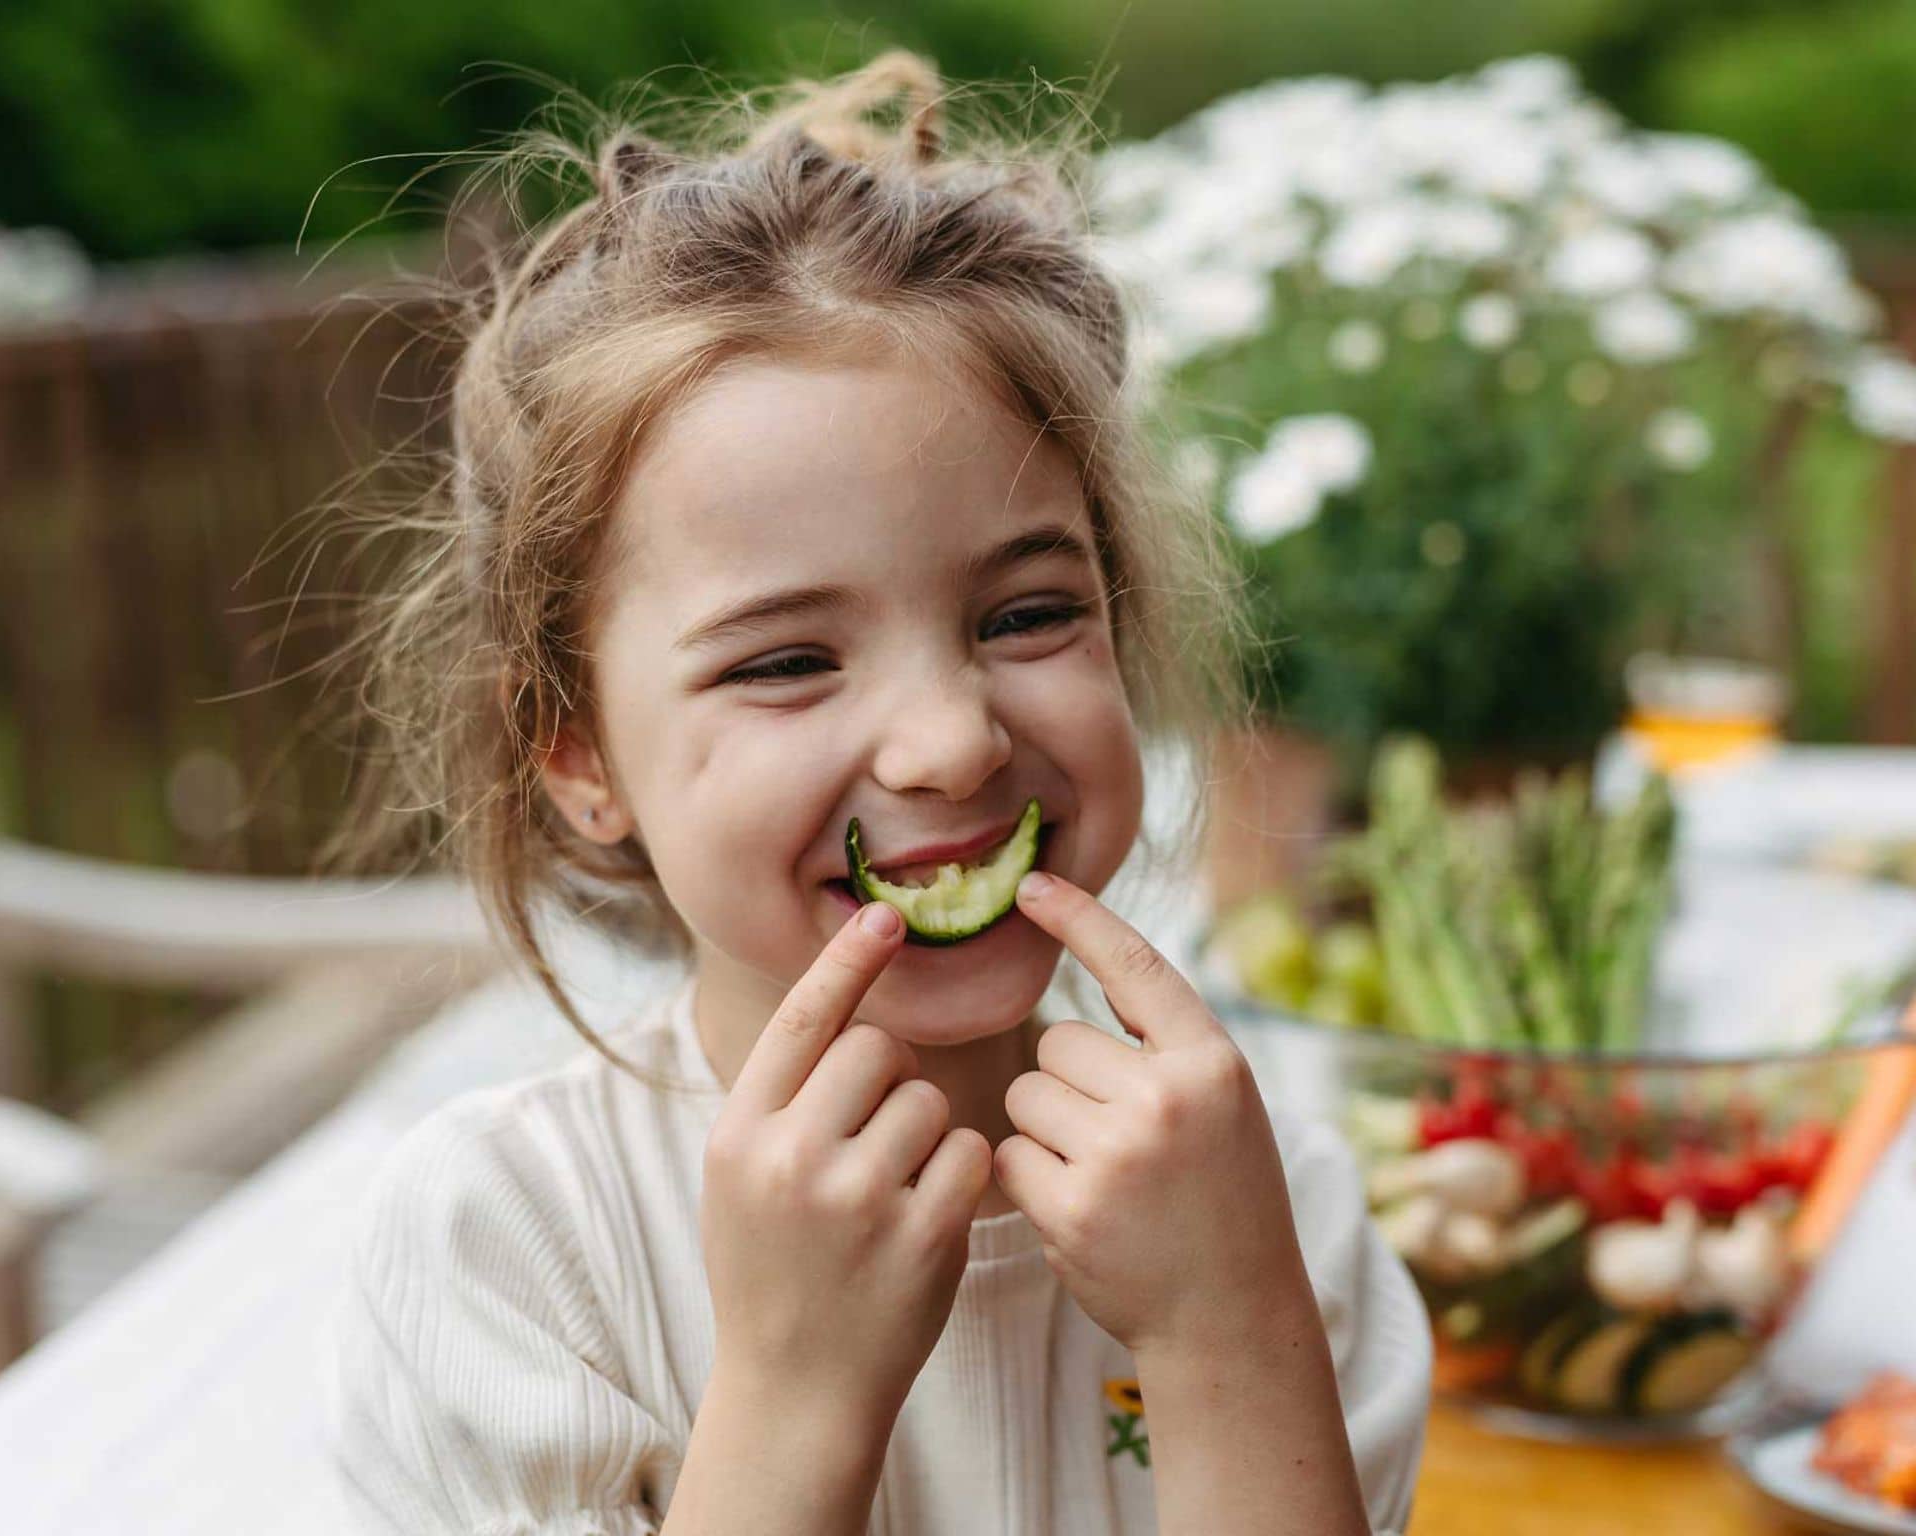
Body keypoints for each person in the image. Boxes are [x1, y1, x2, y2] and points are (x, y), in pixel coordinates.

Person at [322, 48, 1430, 1536]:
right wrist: (792, 1390)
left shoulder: (1258, 1201)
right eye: (786, 660)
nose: (951, 744)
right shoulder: (515, 1246)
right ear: (581, 754)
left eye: (1027, 615)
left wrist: (1225, 1336)